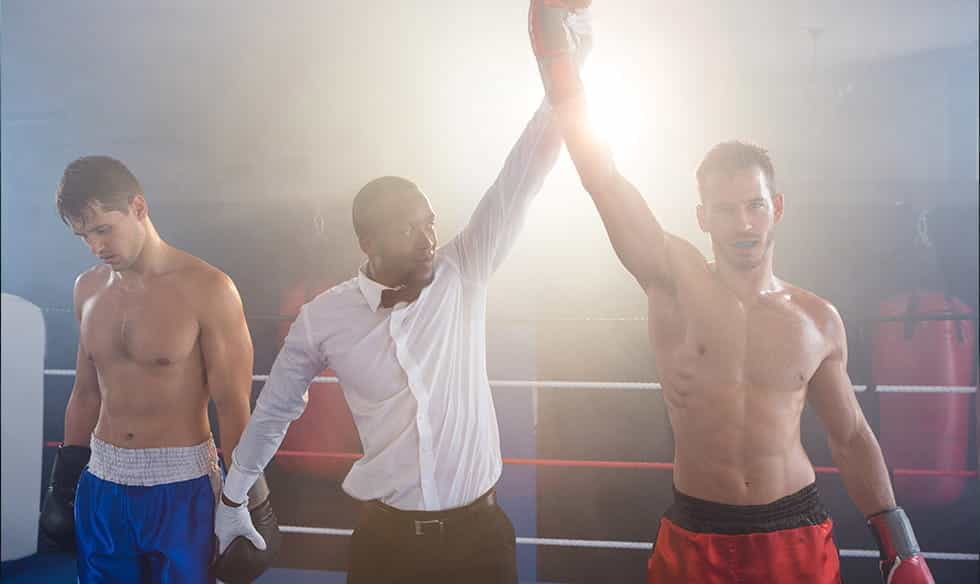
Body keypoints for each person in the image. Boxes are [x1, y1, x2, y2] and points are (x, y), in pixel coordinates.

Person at [528, 3, 935, 583]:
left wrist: (901, 546)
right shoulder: (673, 280)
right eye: (725, 209)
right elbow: (602, 176)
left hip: (796, 531)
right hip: (698, 532)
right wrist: (558, 57)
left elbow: (850, 435)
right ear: (702, 218)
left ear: (777, 209)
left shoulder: (817, 319)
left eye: (755, 205)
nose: (743, 224)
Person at [213, 39, 589, 583]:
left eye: (430, 221)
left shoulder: (465, 269)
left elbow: (522, 176)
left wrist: (562, 75)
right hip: (387, 543)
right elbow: (274, 411)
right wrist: (233, 497)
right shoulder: (325, 316)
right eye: (407, 227)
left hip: (480, 539)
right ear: (368, 242)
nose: (427, 237)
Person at [40, 155, 279, 583]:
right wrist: (64, 480)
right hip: (103, 483)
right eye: (83, 236)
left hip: (182, 488)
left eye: (102, 229)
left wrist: (246, 499)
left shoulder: (209, 289)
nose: (96, 246)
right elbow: (86, 393)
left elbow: (232, 404)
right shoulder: (88, 288)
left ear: (138, 207)